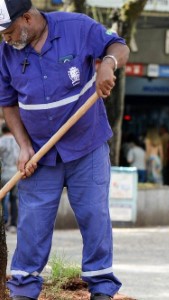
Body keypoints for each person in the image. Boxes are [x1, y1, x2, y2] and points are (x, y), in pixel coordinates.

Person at [0, 1, 130, 299]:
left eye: (8, 31)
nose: (5, 38)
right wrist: (23, 146)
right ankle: (22, 289)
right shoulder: (6, 54)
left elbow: (117, 45)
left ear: (28, 19)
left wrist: (108, 64)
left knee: (94, 215)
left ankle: (101, 289)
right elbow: (7, 103)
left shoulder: (77, 27)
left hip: (87, 145)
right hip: (40, 153)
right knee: (32, 222)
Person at [0, 123, 20, 233]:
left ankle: (4, 221)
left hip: (5, 173)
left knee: (2, 197)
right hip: (17, 173)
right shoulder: (18, 140)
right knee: (14, 199)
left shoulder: (1, 141)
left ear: (2, 130)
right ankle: (13, 225)